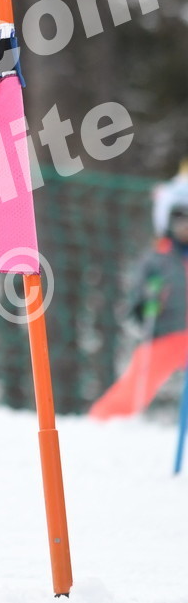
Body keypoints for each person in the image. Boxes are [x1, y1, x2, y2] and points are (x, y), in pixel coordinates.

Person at [90, 168, 188, 420]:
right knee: (139, 382)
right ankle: (104, 418)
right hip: (167, 332)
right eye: (181, 221)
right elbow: (137, 299)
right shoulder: (158, 260)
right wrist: (146, 304)